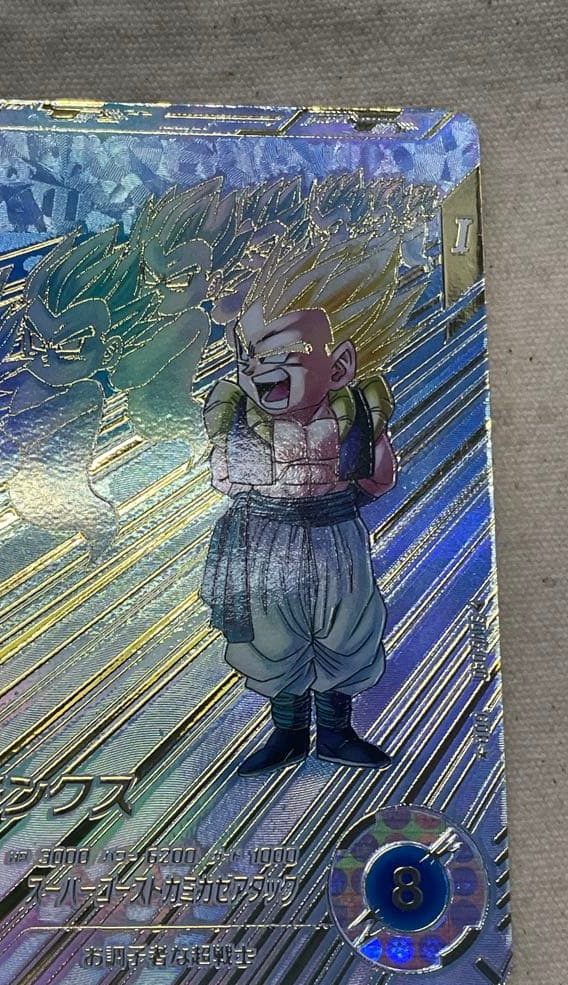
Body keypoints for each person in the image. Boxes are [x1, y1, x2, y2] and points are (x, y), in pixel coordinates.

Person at [201, 234, 414, 776]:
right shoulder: (239, 421)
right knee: (273, 637)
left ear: (339, 366)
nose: (259, 370)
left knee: (347, 632)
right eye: (249, 358)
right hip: (265, 540)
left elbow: (379, 479)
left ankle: (337, 734)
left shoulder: (354, 416)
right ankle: (288, 733)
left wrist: (349, 478)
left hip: (335, 536)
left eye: (278, 355)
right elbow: (228, 481)